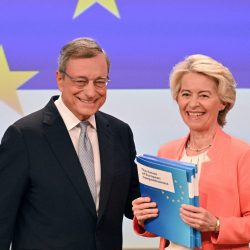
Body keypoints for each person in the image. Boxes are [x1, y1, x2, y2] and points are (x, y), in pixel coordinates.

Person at [0, 37, 140, 250]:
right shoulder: (24, 136)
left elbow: (133, 203)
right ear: (60, 79)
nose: (91, 92)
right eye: (81, 81)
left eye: (100, 82)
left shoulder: (120, 132)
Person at [132, 54, 250, 249]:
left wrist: (217, 224)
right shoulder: (166, 151)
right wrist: (145, 216)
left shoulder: (242, 154)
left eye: (204, 95)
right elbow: (165, 224)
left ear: (223, 102)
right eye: (186, 94)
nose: (193, 104)